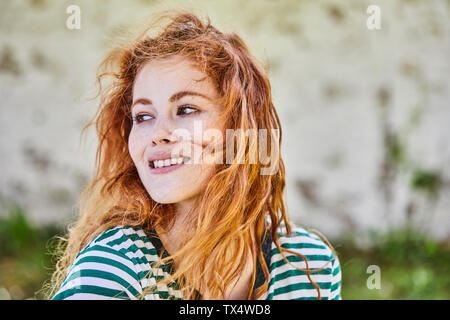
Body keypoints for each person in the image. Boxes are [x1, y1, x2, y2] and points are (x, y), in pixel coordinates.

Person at [49, 10, 341, 300]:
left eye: (186, 109)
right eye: (142, 116)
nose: (157, 133)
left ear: (239, 128)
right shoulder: (114, 271)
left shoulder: (311, 268)